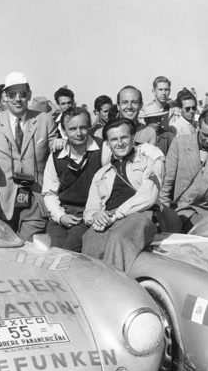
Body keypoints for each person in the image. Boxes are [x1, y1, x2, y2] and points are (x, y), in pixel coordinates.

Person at [0, 72, 58, 241]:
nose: (18, 99)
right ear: (6, 96)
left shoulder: (44, 120)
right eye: (12, 94)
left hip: (35, 200)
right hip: (3, 201)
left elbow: (56, 147)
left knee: (28, 248)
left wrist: (59, 142)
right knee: (4, 249)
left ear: (29, 95)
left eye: (22, 94)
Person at [82, 117, 164, 272]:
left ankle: (115, 289)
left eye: (124, 137)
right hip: (110, 219)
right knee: (91, 238)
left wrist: (116, 215)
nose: (119, 143)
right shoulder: (102, 173)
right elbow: (90, 209)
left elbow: (148, 196)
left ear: (133, 138)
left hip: (140, 216)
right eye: (114, 139)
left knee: (119, 238)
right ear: (107, 143)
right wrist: (96, 216)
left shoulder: (149, 163)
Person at [159, 108, 208, 233]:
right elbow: (166, 183)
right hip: (180, 210)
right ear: (198, 126)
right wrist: (165, 215)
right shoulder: (179, 143)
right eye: (205, 135)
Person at [42, 106, 102, 251]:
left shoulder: (102, 149)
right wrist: (61, 216)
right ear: (63, 131)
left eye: (83, 127)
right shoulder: (56, 156)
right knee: (51, 249)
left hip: (89, 214)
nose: (79, 133)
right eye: (72, 129)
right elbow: (50, 193)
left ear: (89, 127)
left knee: (68, 250)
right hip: (63, 213)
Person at [96, 86, 157, 159]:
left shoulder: (149, 133)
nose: (129, 107)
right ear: (118, 106)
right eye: (125, 102)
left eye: (134, 102)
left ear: (141, 105)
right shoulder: (100, 133)